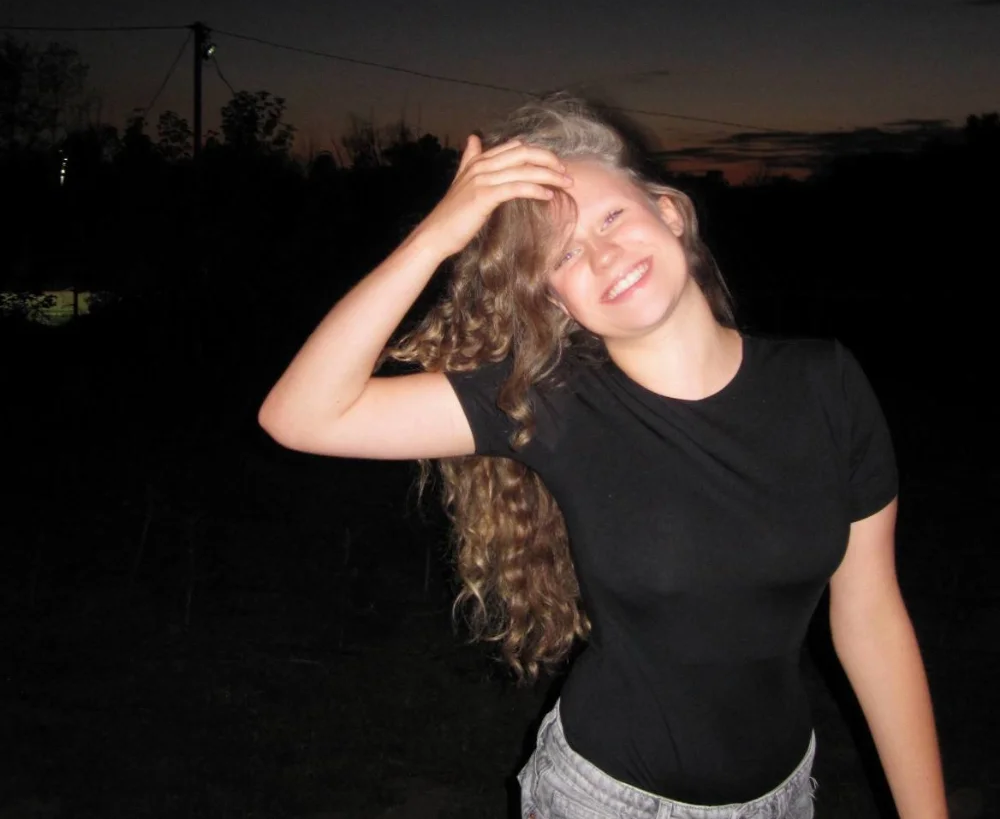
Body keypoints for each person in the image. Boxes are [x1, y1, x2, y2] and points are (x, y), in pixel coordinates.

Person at [258, 96, 947, 819]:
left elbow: (871, 616)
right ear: (558, 302)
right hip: (607, 800)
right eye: (563, 256)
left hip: (787, 796)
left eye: (612, 217)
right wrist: (436, 237)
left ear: (670, 213)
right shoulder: (550, 404)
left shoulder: (825, 382)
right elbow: (300, 414)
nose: (603, 255)